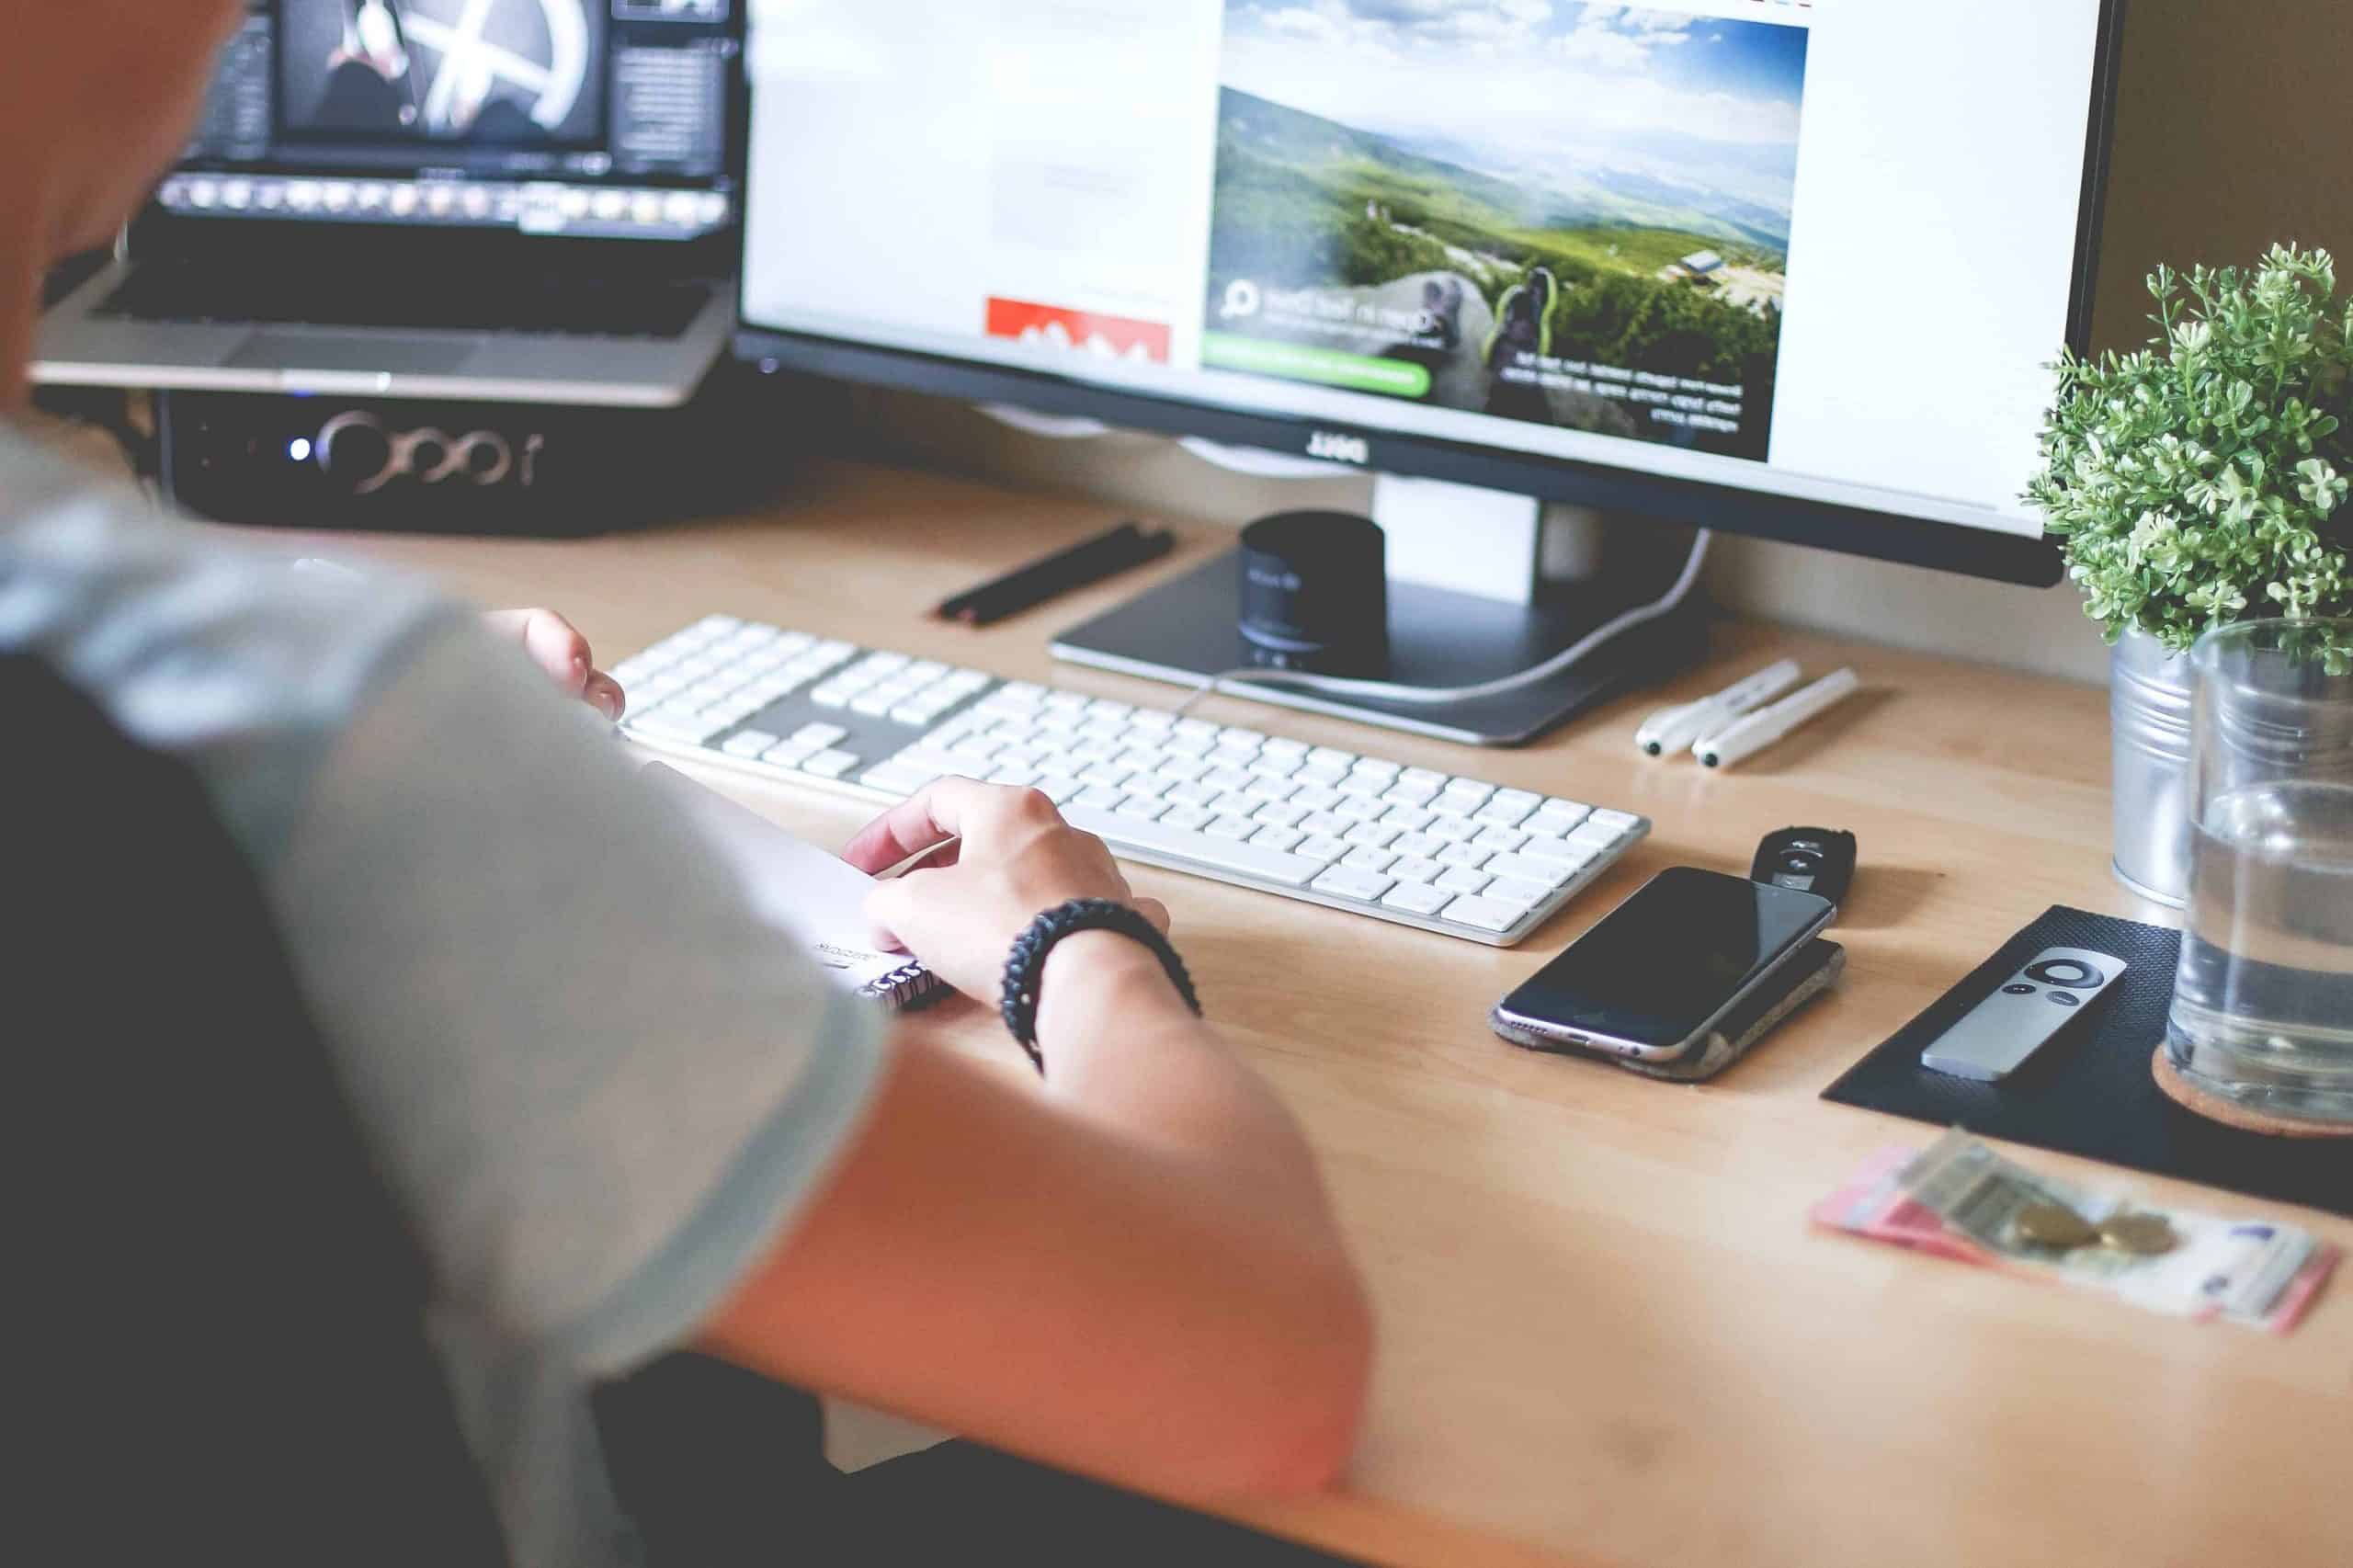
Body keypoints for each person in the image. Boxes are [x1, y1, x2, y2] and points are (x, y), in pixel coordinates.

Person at [0, 6, 1374, 1567]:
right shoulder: (315, 735)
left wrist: (413, 735)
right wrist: (1078, 941)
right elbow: (1270, 1373)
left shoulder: (239, 700)